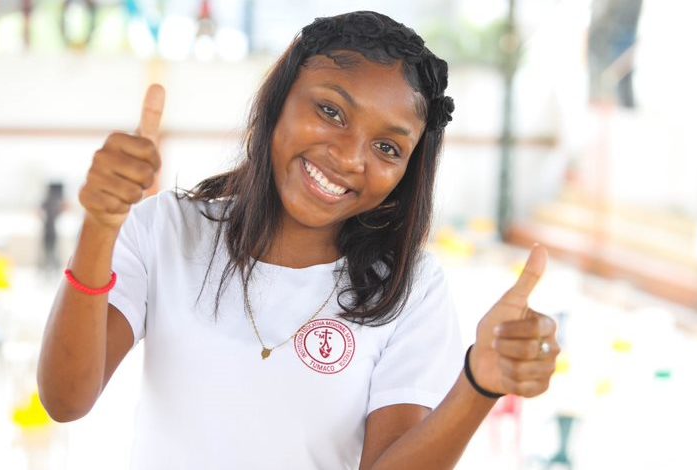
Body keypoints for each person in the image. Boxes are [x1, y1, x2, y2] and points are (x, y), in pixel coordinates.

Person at [37, 11, 559, 470]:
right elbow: (66, 399)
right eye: (331, 111)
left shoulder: (410, 290)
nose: (350, 157)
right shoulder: (168, 230)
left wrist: (477, 384)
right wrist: (101, 225)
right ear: (279, 98)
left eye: (386, 147)